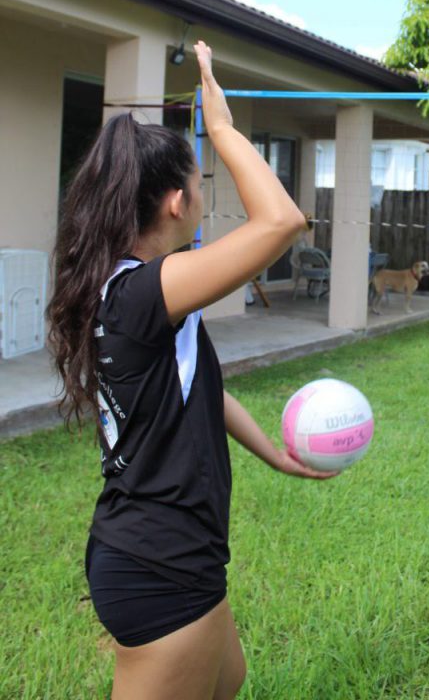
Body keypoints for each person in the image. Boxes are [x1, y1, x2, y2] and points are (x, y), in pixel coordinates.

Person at [48, 41, 334, 700]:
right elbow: (283, 219)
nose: (204, 195)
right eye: (200, 183)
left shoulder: (130, 290)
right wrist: (225, 128)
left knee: (227, 679)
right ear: (176, 202)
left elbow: (199, 391)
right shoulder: (148, 291)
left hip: (164, 550)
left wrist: (274, 454)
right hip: (160, 562)